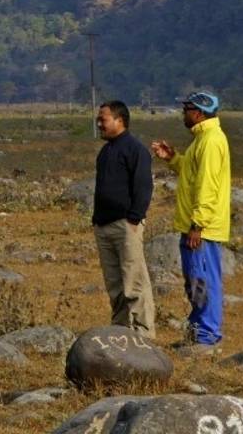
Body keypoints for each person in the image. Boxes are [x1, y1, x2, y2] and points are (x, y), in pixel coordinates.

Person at [149, 90, 231, 350]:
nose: (182, 114)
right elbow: (192, 172)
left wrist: (198, 225)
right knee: (196, 281)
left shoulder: (210, 141)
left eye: (186, 110)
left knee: (203, 281)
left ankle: (206, 338)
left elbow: (208, 186)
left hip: (201, 229)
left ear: (198, 113)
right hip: (195, 226)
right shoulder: (202, 139)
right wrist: (173, 158)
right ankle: (197, 333)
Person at [91, 100, 155, 337]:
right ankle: (120, 330)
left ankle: (143, 332)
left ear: (119, 120)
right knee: (115, 284)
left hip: (125, 225)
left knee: (134, 281)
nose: (99, 124)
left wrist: (134, 219)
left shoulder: (135, 150)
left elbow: (144, 186)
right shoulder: (106, 151)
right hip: (104, 226)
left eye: (103, 119)